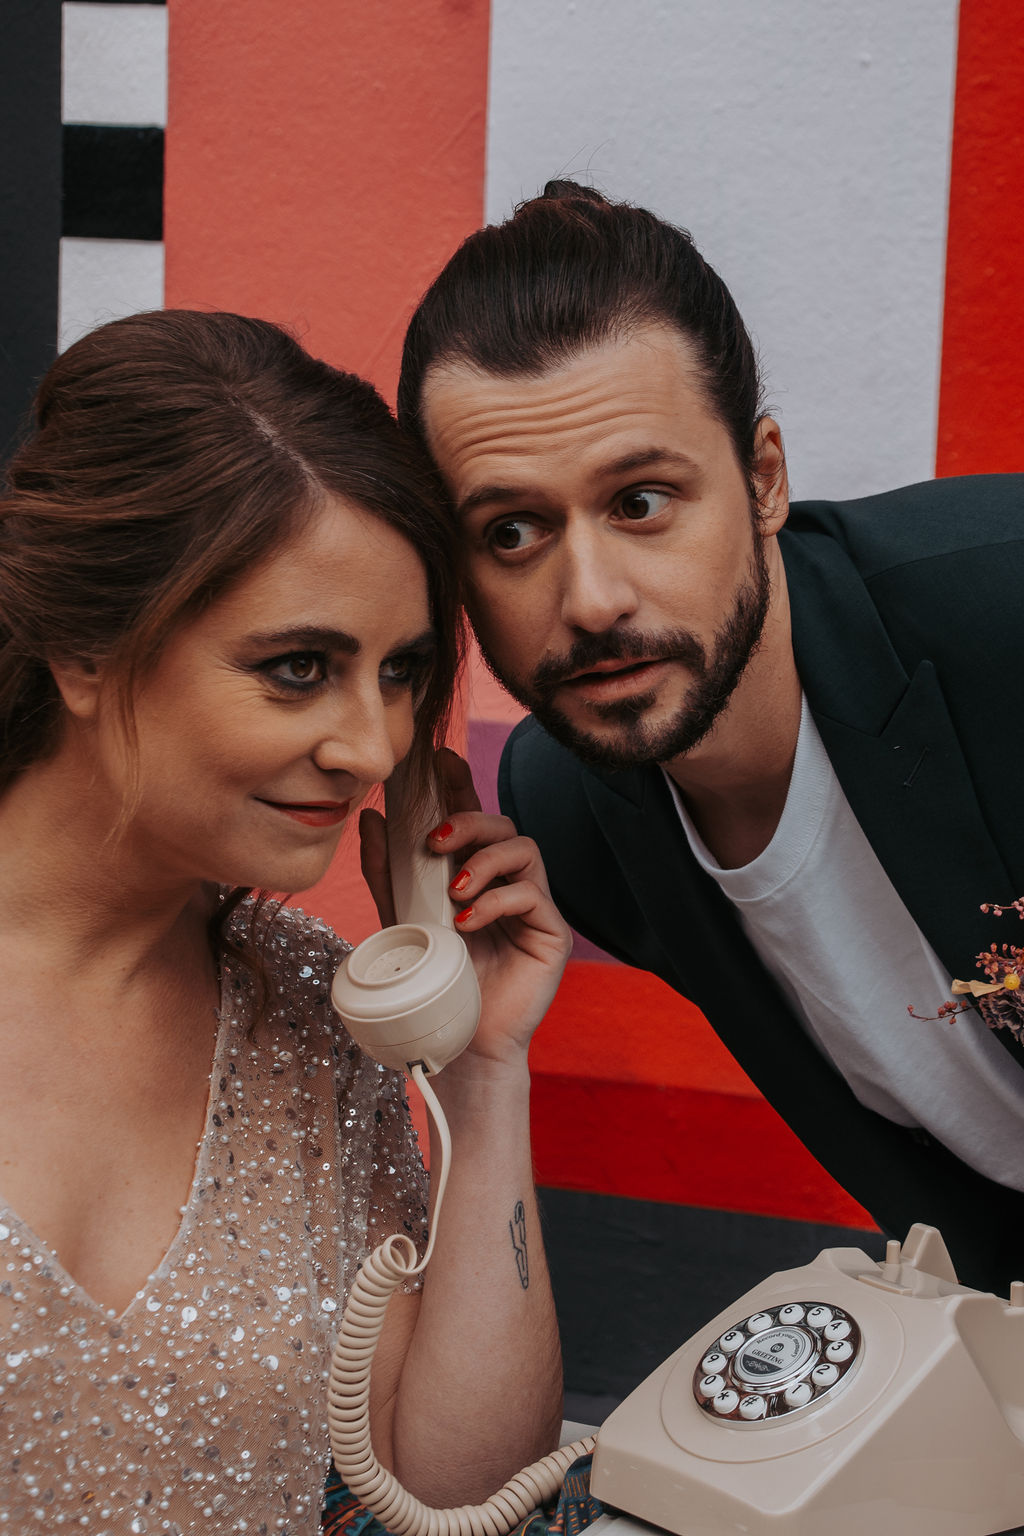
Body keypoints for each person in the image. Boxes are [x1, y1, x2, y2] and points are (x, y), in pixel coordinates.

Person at [395, 180, 1024, 1295]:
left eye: (639, 502)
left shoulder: (999, 609)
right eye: (512, 531)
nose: (589, 598)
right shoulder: (570, 814)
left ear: (763, 478)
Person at [0, 310, 569, 1531]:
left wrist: (480, 1070)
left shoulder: (316, 1014)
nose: (371, 747)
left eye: (402, 672)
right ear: (87, 650)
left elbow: (458, 1495)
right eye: (298, 668)